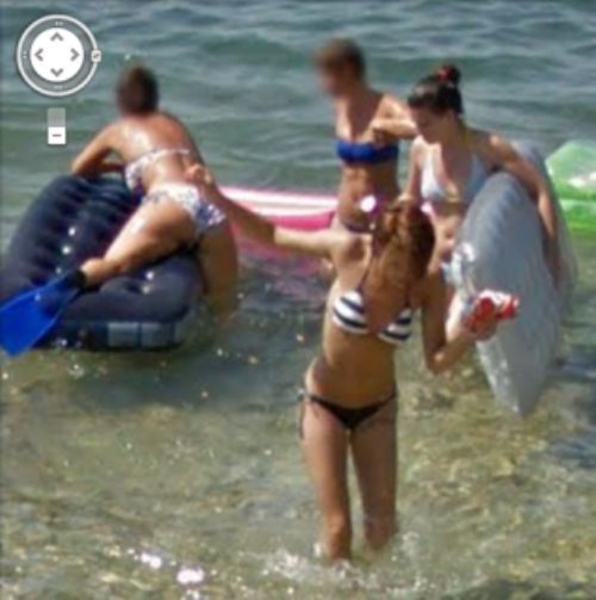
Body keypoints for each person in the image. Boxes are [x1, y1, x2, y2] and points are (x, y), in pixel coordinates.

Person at [185, 162, 498, 562]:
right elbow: (272, 234)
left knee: (382, 529)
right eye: (396, 265)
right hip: (324, 407)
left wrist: (471, 331)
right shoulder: (347, 251)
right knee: (337, 528)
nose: (403, 277)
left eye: (411, 268)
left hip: (378, 411)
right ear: (377, 246)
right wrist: (215, 196)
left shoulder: (427, 281)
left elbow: (436, 360)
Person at [70, 65, 238, 317]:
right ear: (154, 97)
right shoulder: (174, 124)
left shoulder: (119, 128)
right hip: (211, 208)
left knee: (113, 265)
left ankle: (55, 295)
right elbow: (203, 174)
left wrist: (118, 168)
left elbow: (79, 169)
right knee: (225, 307)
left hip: (170, 201)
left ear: (121, 100)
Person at [396, 64, 559, 281]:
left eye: (425, 124)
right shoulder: (420, 148)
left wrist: (550, 253)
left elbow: (540, 191)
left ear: (449, 116)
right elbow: (412, 197)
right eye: (416, 123)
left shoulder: (487, 147)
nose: (418, 130)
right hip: (434, 258)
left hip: (478, 263)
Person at [314, 39, 416, 232]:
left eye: (327, 75)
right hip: (345, 218)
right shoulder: (340, 106)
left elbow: (423, 128)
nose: (322, 84)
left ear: (347, 71)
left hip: (383, 222)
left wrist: (387, 126)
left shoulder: (387, 106)